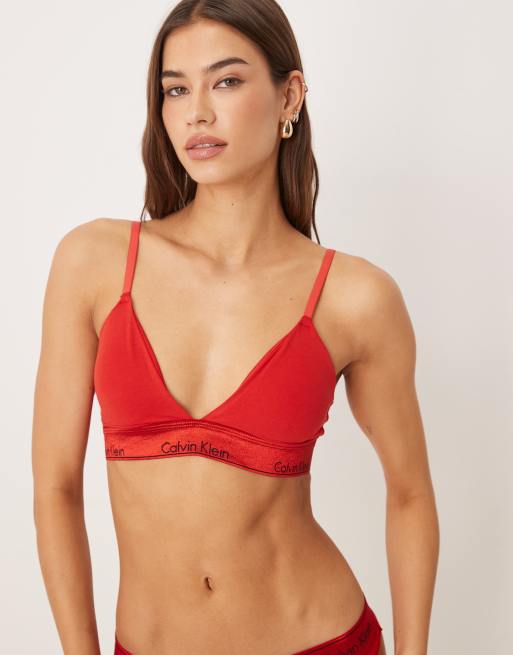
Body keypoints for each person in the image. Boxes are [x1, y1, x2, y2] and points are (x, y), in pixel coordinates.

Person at [32, 1, 439, 654]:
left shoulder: (355, 297)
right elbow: (56, 488)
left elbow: (411, 493)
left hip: (319, 638)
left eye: (225, 81)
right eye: (175, 89)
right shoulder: (95, 262)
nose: (196, 112)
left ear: (289, 97)